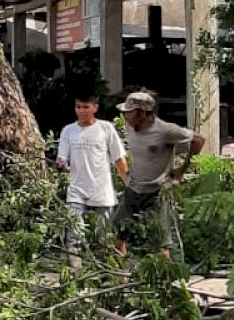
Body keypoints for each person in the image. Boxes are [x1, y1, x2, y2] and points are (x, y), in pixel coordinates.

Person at [112, 91, 205, 258]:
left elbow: (198, 140)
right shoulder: (130, 128)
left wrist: (181, 169)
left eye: (129, 112)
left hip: (156, 193)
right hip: (133, 189)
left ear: (142, 112)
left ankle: (164, 280)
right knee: (118, 235)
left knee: (159, 243)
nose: (125, 116)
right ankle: (119, 277)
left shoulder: (165, 130)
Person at [56, 94, 128, 266]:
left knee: (104, 237)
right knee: (74, 236)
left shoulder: (106, 129)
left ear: (95, 108)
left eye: (85, 107)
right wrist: (61, 164)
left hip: (102, 192)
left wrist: (129, 184)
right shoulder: (68, 131)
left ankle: (107, 274)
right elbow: (62, 158)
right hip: (76, 191)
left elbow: (119, 159)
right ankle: (76, 274)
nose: (81, 111)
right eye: (78, 107)